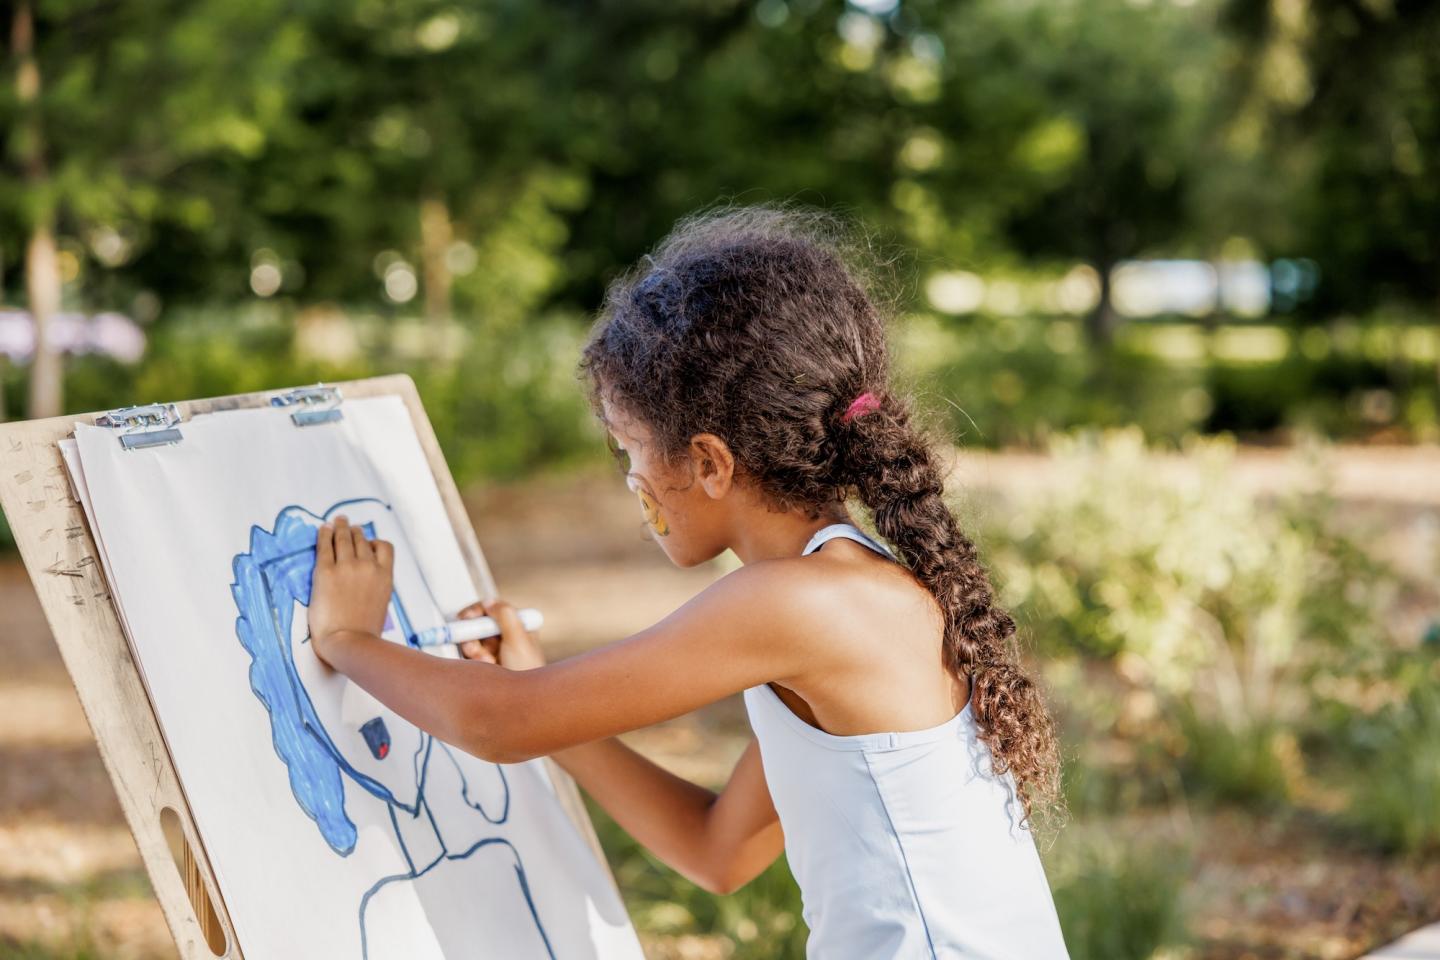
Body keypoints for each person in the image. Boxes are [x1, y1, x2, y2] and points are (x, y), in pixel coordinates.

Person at [307, 206, 1072, 959]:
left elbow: (500, 724)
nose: (630, 479)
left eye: (627, 448)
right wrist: (551, 706)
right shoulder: (846, 586)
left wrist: (349, 639)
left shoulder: (796, 604)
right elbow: (718, 851)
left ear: (709, 463)